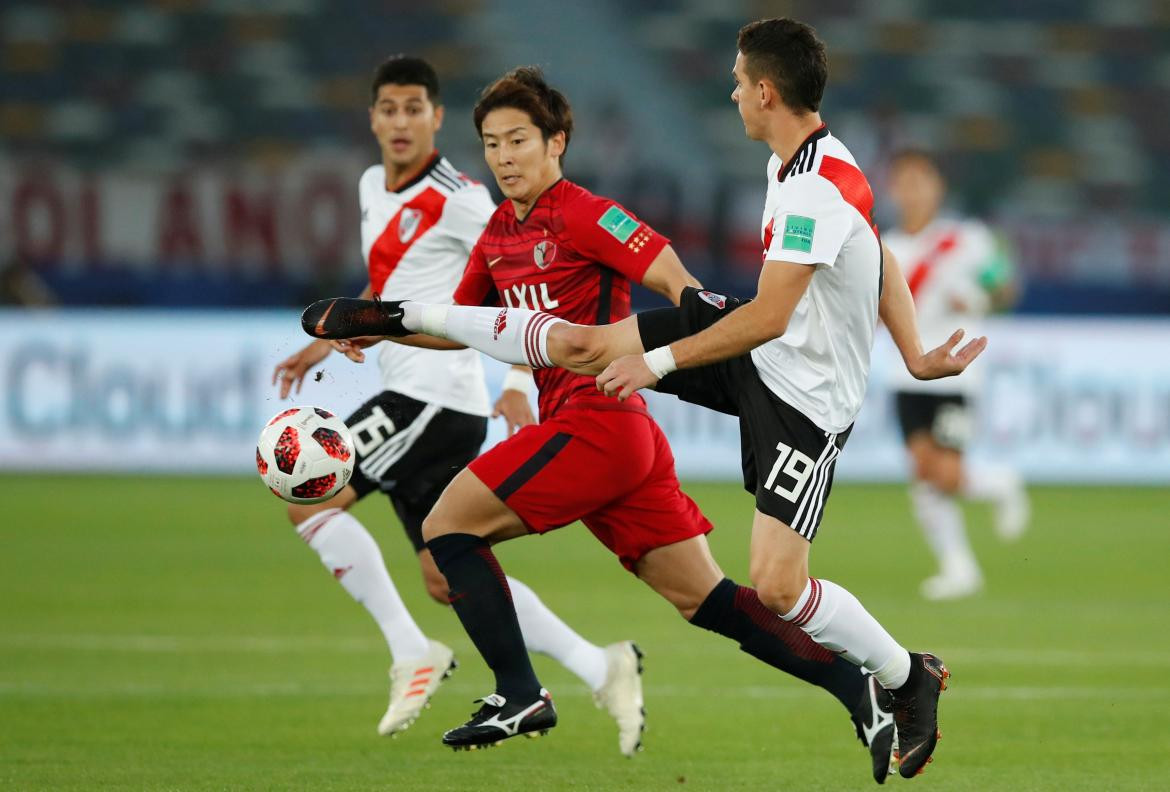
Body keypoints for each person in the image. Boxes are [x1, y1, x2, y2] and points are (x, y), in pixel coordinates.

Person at [305, 21, 987, 780]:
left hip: (799, 400)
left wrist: (660, 355)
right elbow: (874, 248)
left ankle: (901, 675)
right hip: (746, 364)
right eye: (492, 144)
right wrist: (917, 350)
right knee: (694, 576)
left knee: (775, 581)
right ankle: (854, 686)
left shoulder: (782, 193)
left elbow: (755, 308)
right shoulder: (794, 167)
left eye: (516, 140)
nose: (501, 157)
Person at [270, 56, 647, 755]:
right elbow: (394, 277)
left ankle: (411, 651)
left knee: (308, 497)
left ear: (437, 118)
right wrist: (334, 340)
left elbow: (516, 281)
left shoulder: (466, 196)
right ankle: (601, 665)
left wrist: (514, 383)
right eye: (389, 108)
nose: (401, 121)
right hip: (414, 390)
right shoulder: (369, 185)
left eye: (416, 108)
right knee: (448, 575)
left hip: (432, 397)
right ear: (374, 118)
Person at [883, 149, 1029, 600]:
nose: (912, 191)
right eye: (904, 182)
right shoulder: (885, 246)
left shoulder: (965, 239)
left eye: (921, 181)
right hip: (904, 372)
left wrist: (981, 300)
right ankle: (958, 567)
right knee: (924, 470)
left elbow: (1006, 286)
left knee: (946, 473)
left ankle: (1002, 483)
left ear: (938, 188)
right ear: (892, 190)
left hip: (956, 375)